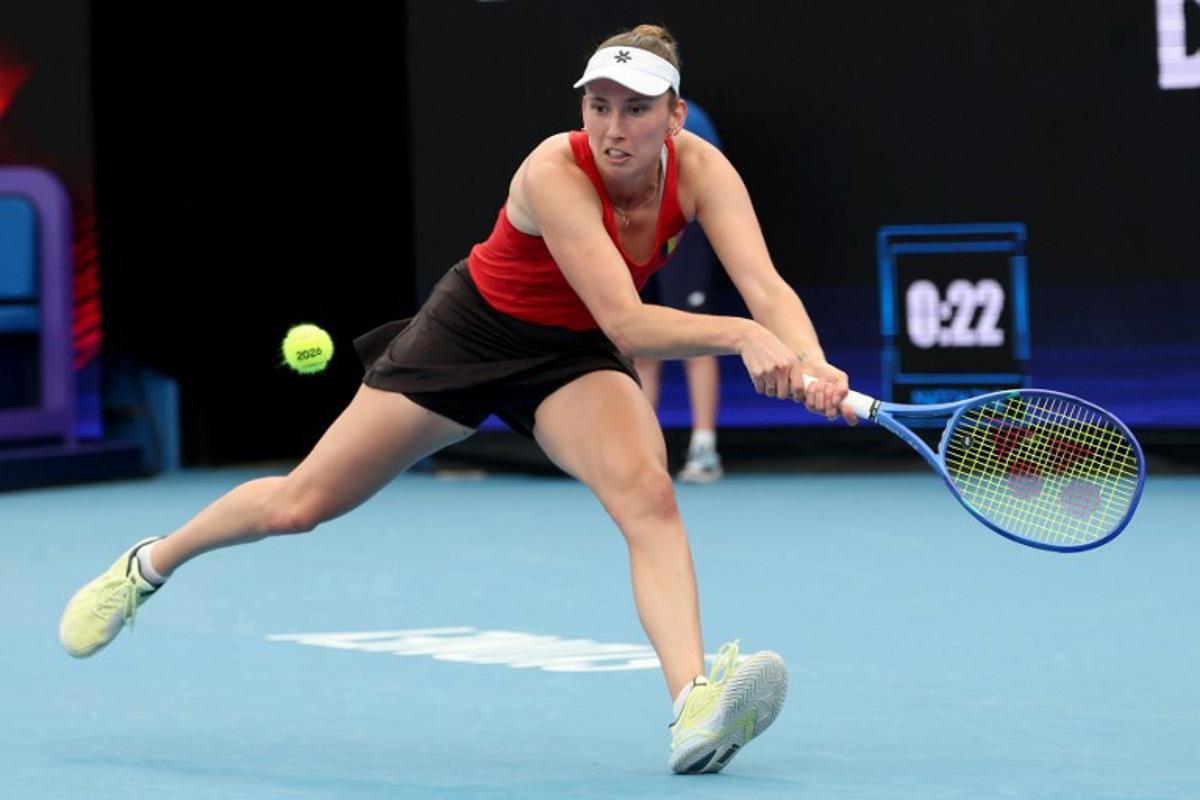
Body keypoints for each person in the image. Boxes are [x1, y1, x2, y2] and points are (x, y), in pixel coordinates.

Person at [58, 24, 856, 775]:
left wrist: (813, 363)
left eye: (637, 110)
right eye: (599, 106)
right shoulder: (555, 171)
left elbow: (766, 286)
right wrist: (745, 338)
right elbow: (628, 321)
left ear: (674, 117)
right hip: (469, 336)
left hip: (568, 359)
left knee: (648, 492)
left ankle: (693, 706)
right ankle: (149, 565)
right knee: (299, 505)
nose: (614, 129)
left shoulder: (704, 171)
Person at [634, 99, 725, 483]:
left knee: (696, 339)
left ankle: (704, 449)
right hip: (632, 232)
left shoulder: (694, 122)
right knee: (637, 343)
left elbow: (712, 188)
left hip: (683, 237)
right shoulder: (617, 125)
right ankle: (640, 453)